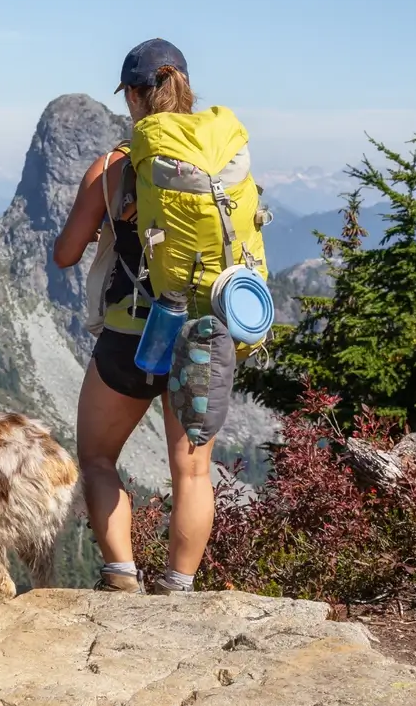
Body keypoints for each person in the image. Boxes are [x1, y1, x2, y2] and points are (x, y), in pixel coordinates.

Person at [53, 37, 261, 595]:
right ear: (184, 86)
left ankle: (120, 572)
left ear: (137, 97)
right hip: (202, 333)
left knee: (97, 457)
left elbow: (66, 254)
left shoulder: (116, 165)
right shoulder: (222, 162)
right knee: (192, 471)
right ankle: (178, 588)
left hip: (131, 332)